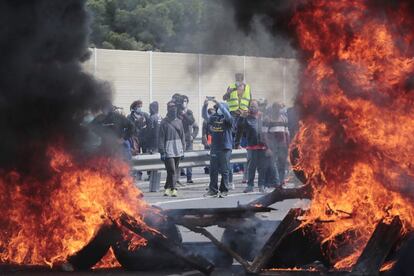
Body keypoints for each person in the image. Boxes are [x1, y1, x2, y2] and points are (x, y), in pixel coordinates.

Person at [202, 98, 233, 197]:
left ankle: (224, 190)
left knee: (224, 170)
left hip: (225, 147)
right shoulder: (214, 117)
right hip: (215, 147)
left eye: (220, 107)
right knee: (213, 170)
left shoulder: (229, 118)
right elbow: (205, 116)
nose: (218, 108)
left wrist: (219, 104)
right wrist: (205, 105)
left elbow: (227, 116)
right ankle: (213, 190)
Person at [241, 100, 273, 193]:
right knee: (251, 168)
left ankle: (261, 186)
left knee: (262, 168)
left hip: (263, 147)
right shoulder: (247, 118)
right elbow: (239, 128)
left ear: (258, 107)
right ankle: (250, 186)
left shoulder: (263, 117)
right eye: (251, 106)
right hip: (252, 147)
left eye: (254, 106)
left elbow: (269, 133)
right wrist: (242, 118)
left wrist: (269, 147)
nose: (252, 108)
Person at [159, 101, 185, 197]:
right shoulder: (164, 122)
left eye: (174, 107)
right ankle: (173, 189)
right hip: (168, 149)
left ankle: (167, 188)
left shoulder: (179, 121)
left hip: (178, 148)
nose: (173, 109)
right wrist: (162, 151)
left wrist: (183, 150)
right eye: (171, 107)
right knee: (172, 170)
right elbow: (161, 138)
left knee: (173, 170)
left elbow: (182, 137)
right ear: (167, 109)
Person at [223, 73, 252, 148]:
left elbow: (250, 100)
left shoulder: (247, 87)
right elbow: (224, 98)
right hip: (234, 111)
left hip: (244, 112)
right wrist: (228, 92)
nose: (238, 80)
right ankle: (230, 144)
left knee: (242, 129)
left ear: (242, 79)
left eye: (240, 79)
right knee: (231, 129)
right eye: (237, 79)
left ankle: (237, 144)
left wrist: (248, 110)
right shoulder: (231, 87)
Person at [266, 102, 290, 186]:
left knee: (282, 164)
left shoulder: (284, 119)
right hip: (273, 146)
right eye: (276, 108)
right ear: (273, 109)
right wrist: (268, 147)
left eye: (279, 108)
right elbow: (264, 134)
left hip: (282, 146)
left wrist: (288, 145)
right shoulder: (268, 119)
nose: (278, 110)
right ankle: (276, 182)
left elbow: (287, 133)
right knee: (273, 164)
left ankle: (281, 181)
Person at [177, 95, 199, 184]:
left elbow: (195, 125)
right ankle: (177, 178)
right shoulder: (177, 113)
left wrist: (193, 136)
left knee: (189, 158)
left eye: (186, 101)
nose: (184, 103)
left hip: (188, 140)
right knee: (178, 159)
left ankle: (189, 177)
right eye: (183, 101)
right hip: (179, 140)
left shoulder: (189, 113)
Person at [202, 108, 214, 174]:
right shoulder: (206, 121)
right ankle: (207, 168)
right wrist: (205, 141)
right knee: (208, 153)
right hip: (208, 138)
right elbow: (204, 132)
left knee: (212, 154)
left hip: (212, 138)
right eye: (212, 113)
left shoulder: (212, 120)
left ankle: (210, 167)